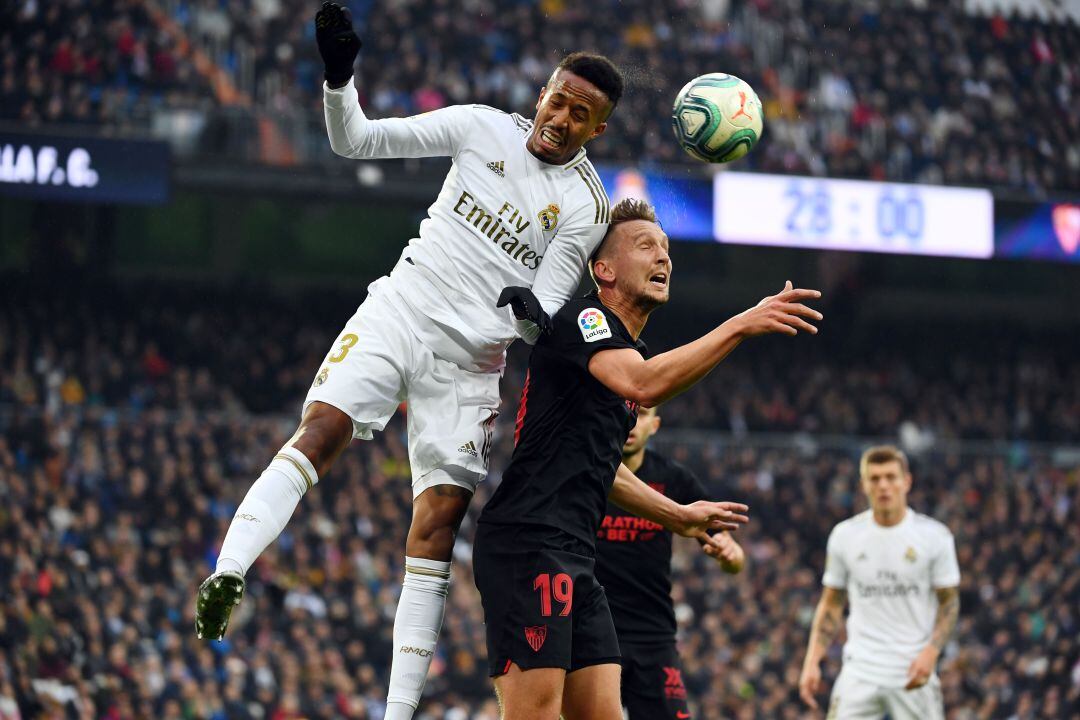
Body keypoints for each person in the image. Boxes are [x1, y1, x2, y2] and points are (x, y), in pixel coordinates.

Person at [195, 4, 627, 718]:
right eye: (559, 99)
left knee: (436, 524)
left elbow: (540, 316)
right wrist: (340, 78)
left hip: (469, 366)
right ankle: (230, 569)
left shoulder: (586, 206)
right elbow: (355, 141)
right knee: (321, 431)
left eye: (582, 114)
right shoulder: (481, 126)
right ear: (542, 92)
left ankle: (397, 715)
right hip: (401, 309)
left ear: (597, 128)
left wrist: (528, 311)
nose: (562, 117)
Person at [473, 198, 822, 719]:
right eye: (645, 246)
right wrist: (740, 325)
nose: (662, 258)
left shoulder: (620, 353)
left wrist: (678, 516)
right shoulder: (585, 318)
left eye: (665, 249)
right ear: (604, 269)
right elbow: (645, 382)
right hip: (531, 543)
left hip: (576, 554)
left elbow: (603, 468)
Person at [594, 405, 745, 720]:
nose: (633, 420)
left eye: (644, 413)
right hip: (591, 630)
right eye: (625, 409)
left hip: (653, 633)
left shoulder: (673, 479)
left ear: (656, 424)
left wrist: (731, 554)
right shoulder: (588, 473)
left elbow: (732, 556)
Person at [798, 445, 961, 719]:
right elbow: (831, 603)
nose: (883, 485)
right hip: (860, 670)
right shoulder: (845, 536)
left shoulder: (935, 537)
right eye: (875, 478)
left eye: (890, 477)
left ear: (906, 482)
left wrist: (932, 652)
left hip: (913, 669)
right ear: (864, 485)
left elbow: (950, 602)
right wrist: (812, 660)